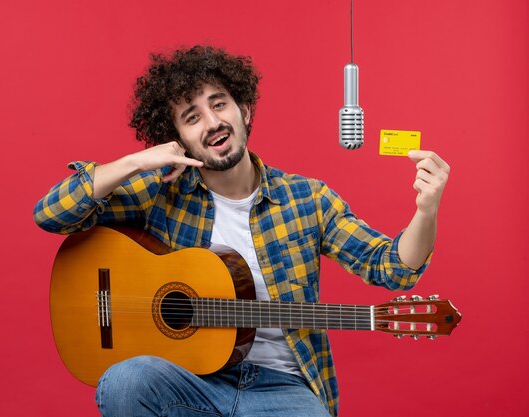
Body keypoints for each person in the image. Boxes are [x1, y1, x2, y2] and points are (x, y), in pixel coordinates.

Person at [34, 45, 449, 417]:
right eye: (192, 117)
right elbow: (51, 214)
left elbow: (393, 269)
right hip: (189, 380)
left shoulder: (307, 199)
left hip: (283, 388)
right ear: (176, 139)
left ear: (244, 110)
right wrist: (133, 164)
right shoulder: (157, 192)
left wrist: (426, 210)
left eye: (220, 105)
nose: (212, 123)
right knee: (126, 380)